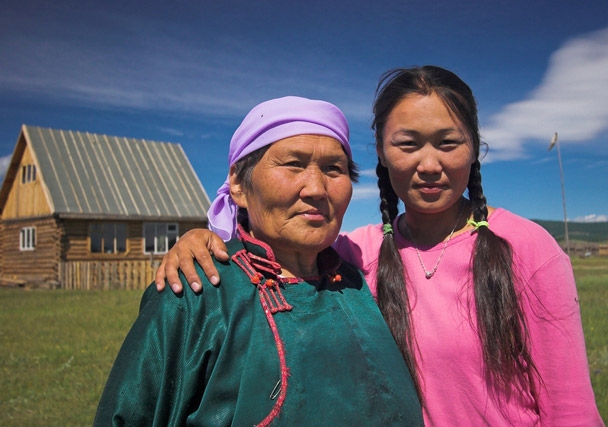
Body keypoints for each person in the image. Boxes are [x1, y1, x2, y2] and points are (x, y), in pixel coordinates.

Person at [155, 67, 603, 426]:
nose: (429, 165)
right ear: (382, 156)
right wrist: (204, 238)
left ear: (474, 149)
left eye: (448, 143)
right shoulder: (356, 256)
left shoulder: (525, 248)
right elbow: (282, 244)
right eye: (407, 145)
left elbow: (572, 410)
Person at [94, 96, 423, 426]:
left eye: (333, 169)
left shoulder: (358, 283)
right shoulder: (196, 292)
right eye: (293, 164)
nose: (316, 188)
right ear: (238, 183)